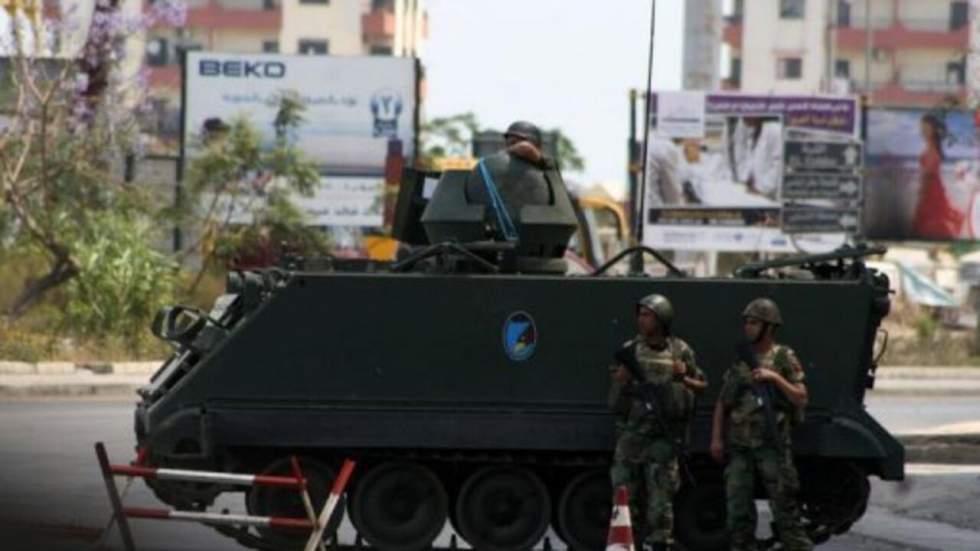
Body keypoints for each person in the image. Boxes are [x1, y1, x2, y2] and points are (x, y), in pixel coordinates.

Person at [710, 298, 813, 551]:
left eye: (754, 323)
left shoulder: (783, 357)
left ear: (769, 327)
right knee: (737, 513)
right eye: (746, 322)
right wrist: (716, 439)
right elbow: (723, 402)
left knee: (786, 511)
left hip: (772, 446)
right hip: (740, 447)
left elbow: (801, 397)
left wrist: (775, 378)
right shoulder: (741, 360)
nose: (748, 327)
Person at [608, 294, 707, 551]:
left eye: (647, 315)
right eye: (640, 314)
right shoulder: (631, 349)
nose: (641, 319)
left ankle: (659, 544)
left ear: (662, 319)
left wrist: (684, 376)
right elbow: (616, 399)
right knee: (624, 498)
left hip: (663, 439)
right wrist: (623, 378)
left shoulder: (680, 351)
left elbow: (701, 386)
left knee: (661, 505)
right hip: (633, 437)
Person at [913, 113, 963, 239]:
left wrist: (922, 189)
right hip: (933, 186)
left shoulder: (932, 149)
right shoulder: (932, 147)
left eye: (926, 129)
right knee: (931, 217)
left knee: (931, 217)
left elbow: (929, 172)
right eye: (922, 129)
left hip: (932, 188)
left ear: (933, 131)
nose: (923, 132)